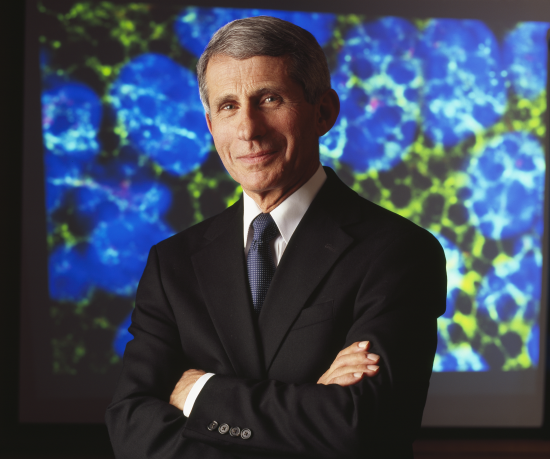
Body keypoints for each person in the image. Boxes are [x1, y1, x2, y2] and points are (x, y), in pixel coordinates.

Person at [106, 16, 446, 459]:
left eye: (269, 98)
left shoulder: (399, 252)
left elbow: (360, 427)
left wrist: (198, 392)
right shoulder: (172, 264)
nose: (248, 129)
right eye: (228, 106)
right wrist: (307, 411)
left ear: (323, 111)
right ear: (211, 127)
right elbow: (131, 425)